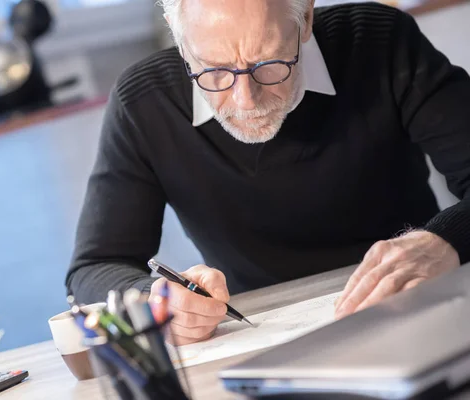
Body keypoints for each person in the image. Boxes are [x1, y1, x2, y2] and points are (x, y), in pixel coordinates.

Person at [66, 0, 469, 345]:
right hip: (261, 338)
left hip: (418, 307)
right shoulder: (143, 103)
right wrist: (155, 299)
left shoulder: (380, 43)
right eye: (215, 70)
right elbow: (95, 267)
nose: (246, 99)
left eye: (270, 63)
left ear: (305, 17)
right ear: (177, 33)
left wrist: (444, 239)